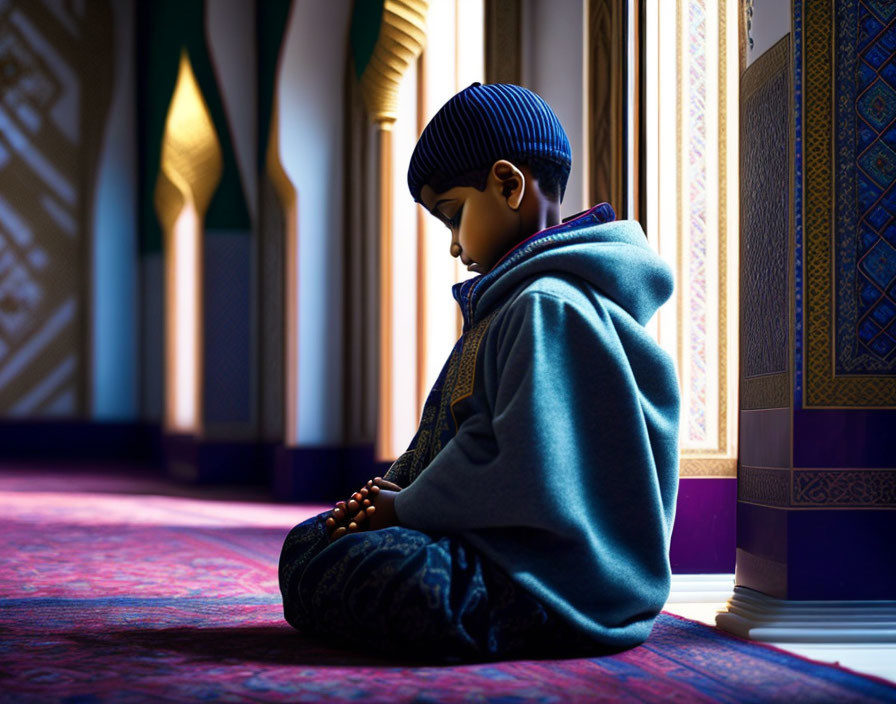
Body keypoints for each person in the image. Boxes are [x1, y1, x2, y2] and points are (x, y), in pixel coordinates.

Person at [279, 82, 680, 663]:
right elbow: (461, 438)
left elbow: (522, 473)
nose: (452, 246)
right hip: (504, 555)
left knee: (368, 572)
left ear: (508, 184)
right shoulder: (516, 301)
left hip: (552, 584)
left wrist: (405, 509)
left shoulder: (547, 306)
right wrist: (391, 498)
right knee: (312, 543)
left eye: (453, 216)